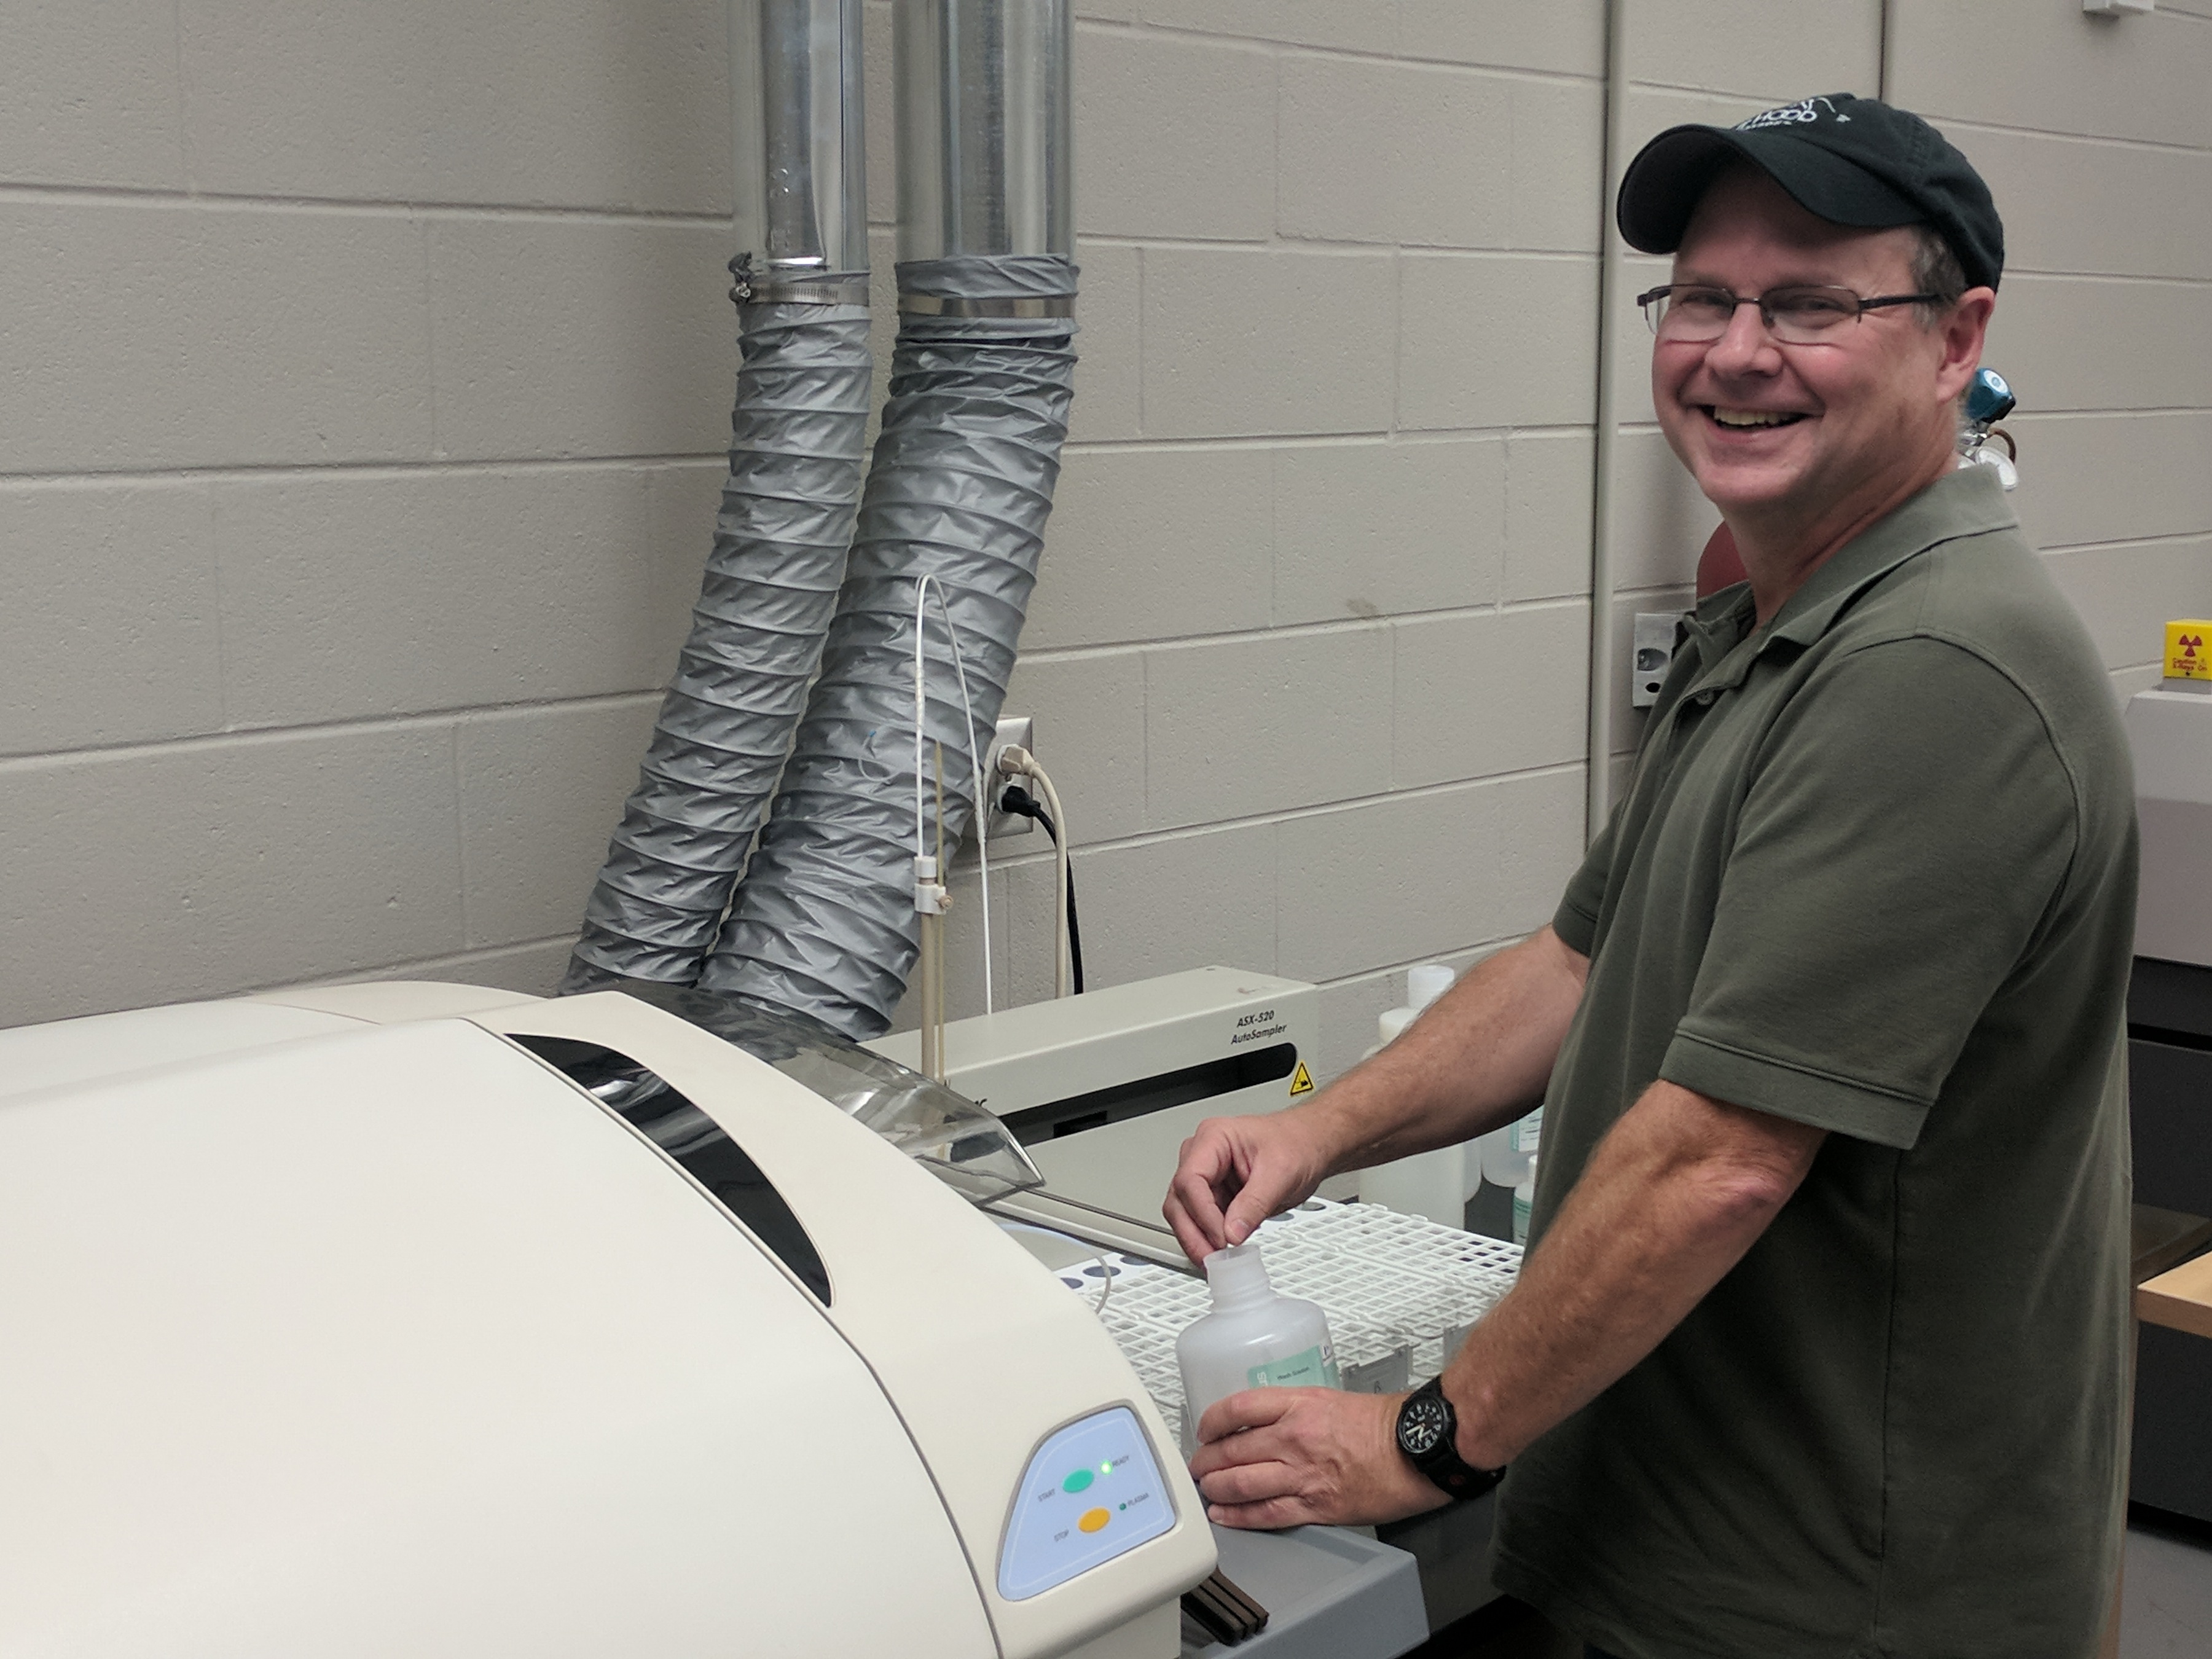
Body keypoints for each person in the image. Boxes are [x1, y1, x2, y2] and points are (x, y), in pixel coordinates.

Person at [1163, 95, 2136, 1659]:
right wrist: (1317, 1131)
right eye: (1702, 299)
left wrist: (1421, 1439)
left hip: (1834, 1596)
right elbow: (1577, 962)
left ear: (1955, 341)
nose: (1736, 352)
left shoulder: (1937, 666)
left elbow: (1721, 1161)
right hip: (1675, 1522)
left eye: (1808, 304)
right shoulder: (1770, 627)